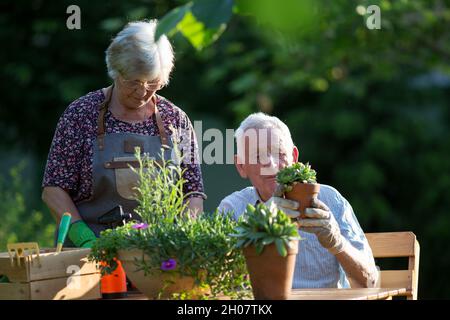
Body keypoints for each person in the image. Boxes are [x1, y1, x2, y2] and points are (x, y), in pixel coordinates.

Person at [42, 20, 206, 248]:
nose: (142, 92)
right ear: (115, 70)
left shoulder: (176, 120)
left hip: (157, 256)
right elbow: (53, 189)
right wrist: (83, 237)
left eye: (153, 83)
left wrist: (183, 240)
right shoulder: (81, 115)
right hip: (88, 256)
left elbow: (193, 191)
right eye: (134, 82)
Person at [219, 112, 379, 288]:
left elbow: (370, 281)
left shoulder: (329, 200)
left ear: (294, 158)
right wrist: (261, 224)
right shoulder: (232, 208)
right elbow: (219, 282)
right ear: (241, 166)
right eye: (258, 156)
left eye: (279, 153)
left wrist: (337, 242)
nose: (271, 164)